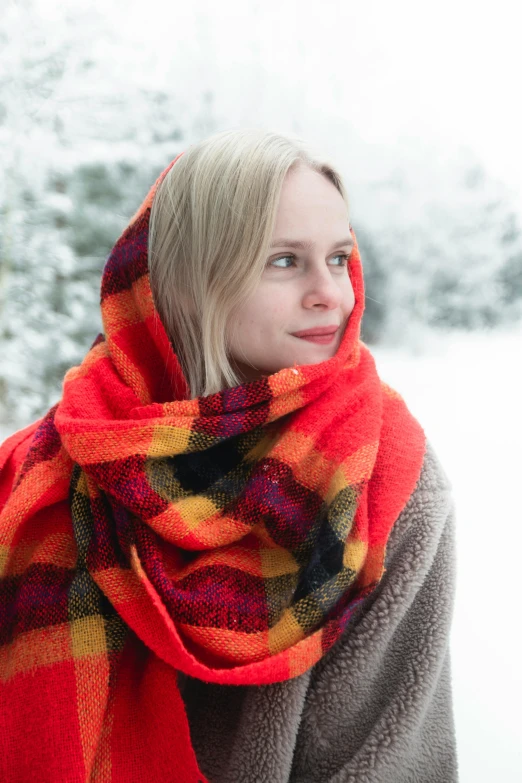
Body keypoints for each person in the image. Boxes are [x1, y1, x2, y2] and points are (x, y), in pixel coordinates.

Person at [0, 129, 458, 782]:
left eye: (338, 257)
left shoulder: (384, 477)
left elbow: (389, 761)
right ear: (188, 279)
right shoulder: (39, 471)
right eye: (284, 261)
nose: (332, 292)